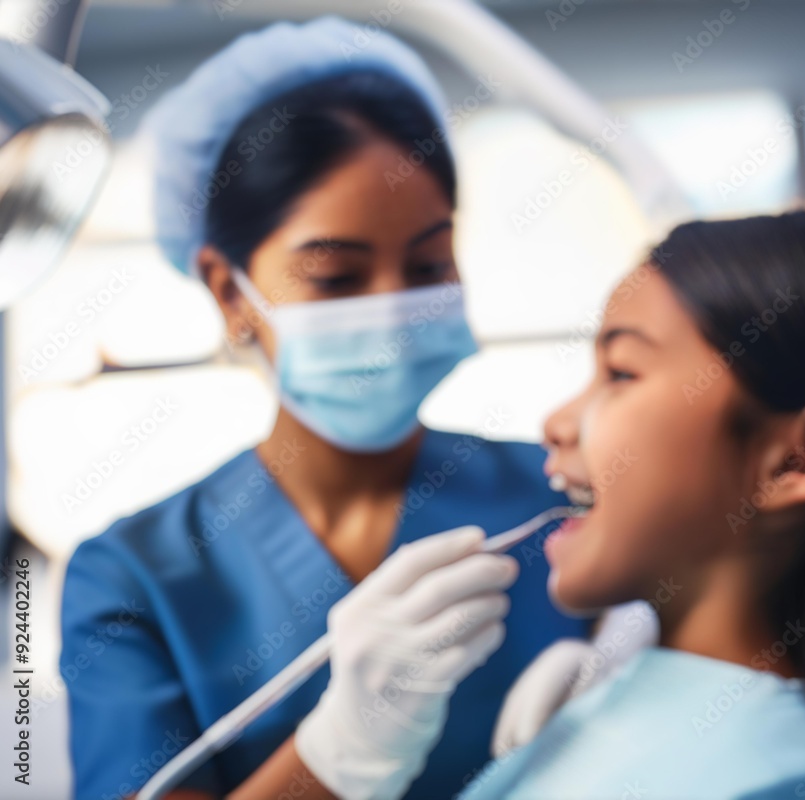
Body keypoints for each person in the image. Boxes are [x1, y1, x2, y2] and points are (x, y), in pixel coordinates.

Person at [58, 18, 595, 800]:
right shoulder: (135, 578)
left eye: (427, 264)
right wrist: (342, 752)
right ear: (225, 289)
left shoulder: (559, 499)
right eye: (337, 278)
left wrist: (636, 662)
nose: (393, 307)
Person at [457, 211, 805, 799]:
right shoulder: (653, 706)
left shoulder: (778, 781)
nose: (557, 424)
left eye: (620, 373)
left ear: (796, 461)